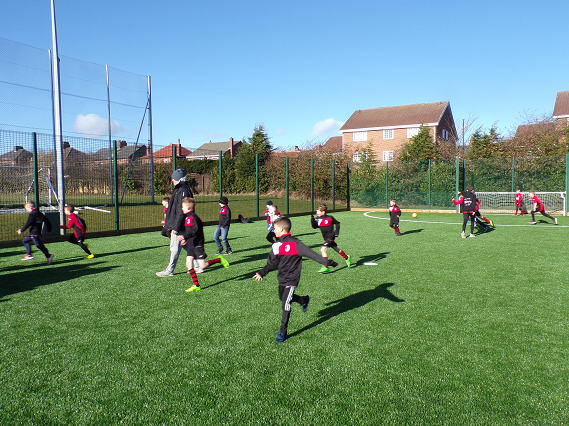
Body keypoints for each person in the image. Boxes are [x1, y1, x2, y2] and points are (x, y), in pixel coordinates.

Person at [253, 216, 338, 343]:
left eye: (274, 228)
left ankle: (282, 332)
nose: (273, 230)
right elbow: (272, 264)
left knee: (285, 303)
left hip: (292, 279)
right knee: (283, 298)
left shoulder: (297, 244)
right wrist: (261, 272)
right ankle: (303, 300)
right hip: (282, 277)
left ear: (281, 229)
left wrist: (329, 262)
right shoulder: (277, 245)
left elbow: (314, 256)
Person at [177, 197, 229, 292]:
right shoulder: (187, 217)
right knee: (188, 264)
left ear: (188, 208)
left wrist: (185, 237)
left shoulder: (193, 217)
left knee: (203, 266)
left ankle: (219, 259)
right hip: (191, 245)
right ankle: (196, 285)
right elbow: (190, 231)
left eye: (183, 207)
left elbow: (196, 231)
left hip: (198, 245)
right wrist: (186, 240)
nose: (182, 208)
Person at [156, 169, 193, 277]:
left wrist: (176, 226)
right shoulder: (181, 189)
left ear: (176, 179)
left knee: (174, 248)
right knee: (185, 245)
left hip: (180, 225)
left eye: (173, 178)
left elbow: (181, 210)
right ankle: (199, 265)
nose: (172, 180)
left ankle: (169, 270)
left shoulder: (182, 190)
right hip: (181, 224)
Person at [310, 203, 351, 271]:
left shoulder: (329, 218)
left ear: (323, 212)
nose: (316, 212)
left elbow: (337, 223)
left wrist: (336, 233)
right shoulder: (317, 219)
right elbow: (314, 227)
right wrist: (312, 220)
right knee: (336, 248)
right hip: (326, 238)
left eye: (318, 210)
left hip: (330, 237)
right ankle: (347, 257)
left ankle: (325, 266)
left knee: (323, 250)